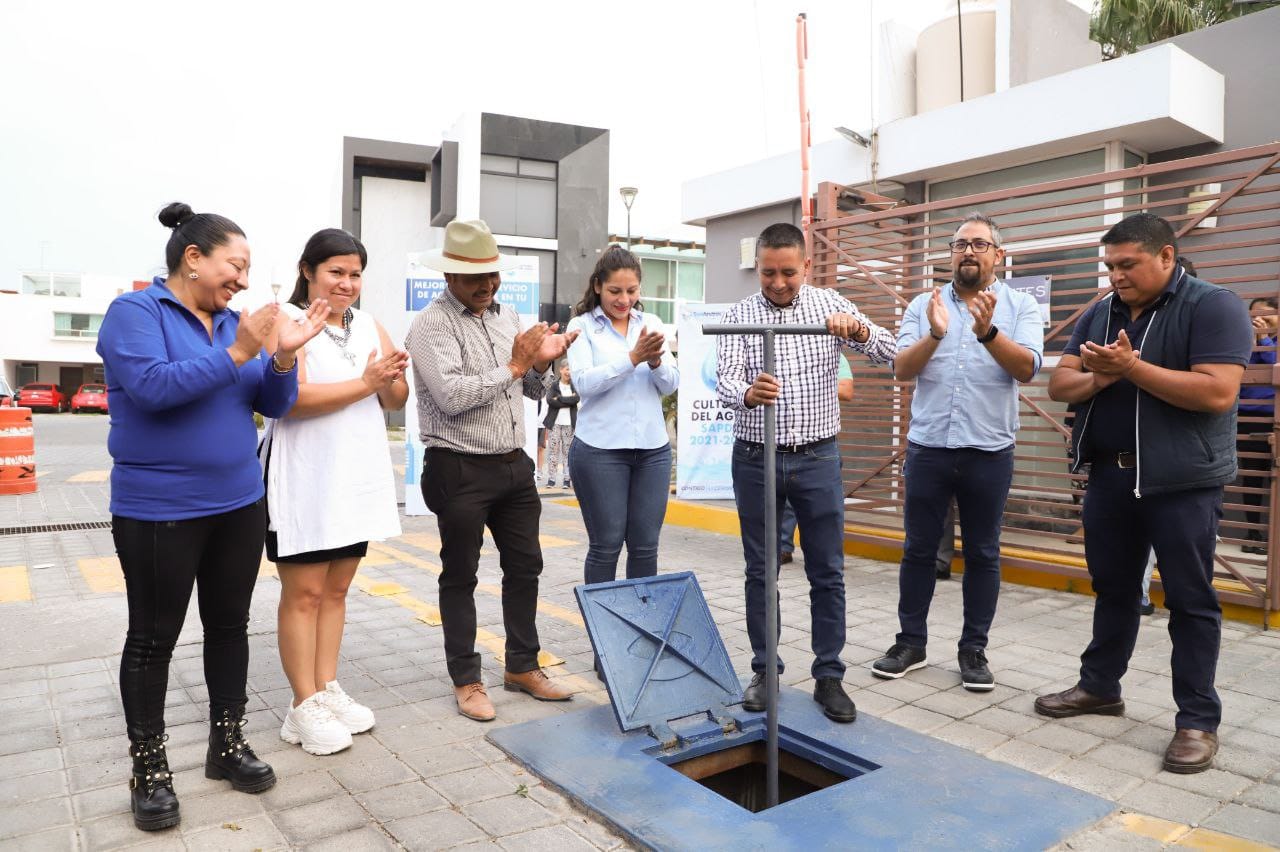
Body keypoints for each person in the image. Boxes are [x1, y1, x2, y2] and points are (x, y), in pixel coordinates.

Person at [97, 203, 328, 831]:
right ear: (192, 258)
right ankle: (149, 769)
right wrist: (242, 350)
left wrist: (281, 358)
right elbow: (153, 388)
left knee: (229, 628)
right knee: (153, 637)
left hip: (237, 504)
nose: (244, 281)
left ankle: (226, 747)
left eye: (248, 269)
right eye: (236, 265)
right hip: (158, 509)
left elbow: (273, 404)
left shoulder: (234, 324)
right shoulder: (134, 314)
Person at [1036, 213, 1252, 775]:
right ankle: (1100, 688)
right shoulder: (1101, 311)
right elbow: (1061, 383)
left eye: (1127, 264)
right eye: (1110, 265)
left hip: (1181, 483)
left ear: (1166, 256)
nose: (1116, 276)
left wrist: (1131, 367)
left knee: (1190, 599)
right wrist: (1104, 377)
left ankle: (1197, 720)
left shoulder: (1213, 306)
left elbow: (1217, 392)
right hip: (1110, 477)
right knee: (1112, 588)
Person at [717, 223, 896, 724]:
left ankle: (829, 676)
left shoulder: (829, 306)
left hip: (818, 457)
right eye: (768, 272)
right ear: (758, 267)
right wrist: (749, 393)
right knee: (761, 569)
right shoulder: (740, 315)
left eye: (788, 273)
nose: (777, 283)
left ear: (807, 267)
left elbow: (889, 348)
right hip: (757, 457)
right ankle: (764, 671)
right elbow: (726, 376)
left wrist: (857, 330)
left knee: (827, 569)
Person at [405, 219, 577, 722]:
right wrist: (518, 366)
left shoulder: (508, 317)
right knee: (460, 574)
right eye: (475, 278)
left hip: (513, 465)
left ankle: (522, 666)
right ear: (449, 277)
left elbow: (528, 393)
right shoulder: (431, 325)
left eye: (493, 276)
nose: (487, 286)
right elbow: (453, 397)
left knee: (526, 566)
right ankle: (467, 678)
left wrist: (542, 366)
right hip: (458, 466)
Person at [872, 212, 1044, 691]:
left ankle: (974, 651)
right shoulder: (921, 306)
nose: (968, 251)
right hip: (928, 447)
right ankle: (911, 643)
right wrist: (935, 333)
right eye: (960, 243)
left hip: (989, 450)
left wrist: (989, 333)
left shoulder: (1021, 307)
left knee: (984, 552)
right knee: (918, 549)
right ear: (951, 253)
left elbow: (1029, 369)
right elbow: (900, 370)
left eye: (979, 244)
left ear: (998, 255)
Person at [263, 229, 409, 756]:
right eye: (336, 273)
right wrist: (368, 383)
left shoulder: (370, 324)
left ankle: (326, 688)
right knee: (302, 593)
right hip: (305, 475)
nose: (347, 284)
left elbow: (394, 399)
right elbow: (291, 399)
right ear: (308, 270)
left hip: (355, 476)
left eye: (354, 274)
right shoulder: (289, 321)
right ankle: (303, 705)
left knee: (338, 590)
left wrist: (391, 376)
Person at [566, 246, 679, 588]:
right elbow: (584, 383)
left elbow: (672, 384)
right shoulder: (581, 326)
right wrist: (632, 358)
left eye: (632, 291)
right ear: (598, 285)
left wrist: (656, 361)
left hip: (652, 451)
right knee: (607, 544)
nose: (624, 299)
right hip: (600, 450)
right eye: (615, 291)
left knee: (645, 548)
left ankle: (641, 630)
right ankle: (604, 628)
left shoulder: (651, 324)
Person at [779, 356, 854, 564]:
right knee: (784, 501)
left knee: (825, 508)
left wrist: (807, 386)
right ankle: (783, 547)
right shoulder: (781, 354)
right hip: (782, 443)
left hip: (819, 445)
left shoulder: (833, 355)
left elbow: (847, 390)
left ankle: (827, 556)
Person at [1238, 295, 1277, 555]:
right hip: (1247, 420)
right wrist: (1251, 344)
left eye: (1266, 314)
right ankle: (1254, 534)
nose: (1259, 319)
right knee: (1251, 479)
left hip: (1273, 421)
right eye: (1254, 315)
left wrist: (1264, 340)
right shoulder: (1245, 341)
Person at [542, 362, 578, 488]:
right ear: (561, 370)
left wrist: (560, 399)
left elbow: (576, 399)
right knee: (553, 452)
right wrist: (568, 401)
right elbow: (550, 401)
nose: (569, 372)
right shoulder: (554, 385)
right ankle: (551, 479)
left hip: (569, 424)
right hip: (555, 424)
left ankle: (567, 480)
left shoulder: (575, 385)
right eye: (567, 369)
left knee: (567, 453)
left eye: (571, 370)